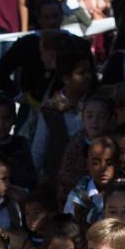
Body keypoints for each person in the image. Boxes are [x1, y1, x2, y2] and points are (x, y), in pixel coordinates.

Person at [31, 45, 94, 181]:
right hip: (59, 180)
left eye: (89, 71)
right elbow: (39, 149)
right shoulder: (50, 109)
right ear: (66, 78)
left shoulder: (95, 103)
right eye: (81, 73)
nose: (88, 76)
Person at [64, 135, 120, 228]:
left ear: (118, 164)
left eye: (109, 163)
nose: (103, 168)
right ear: (87, 164)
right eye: (95, 163)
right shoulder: (77, 197)